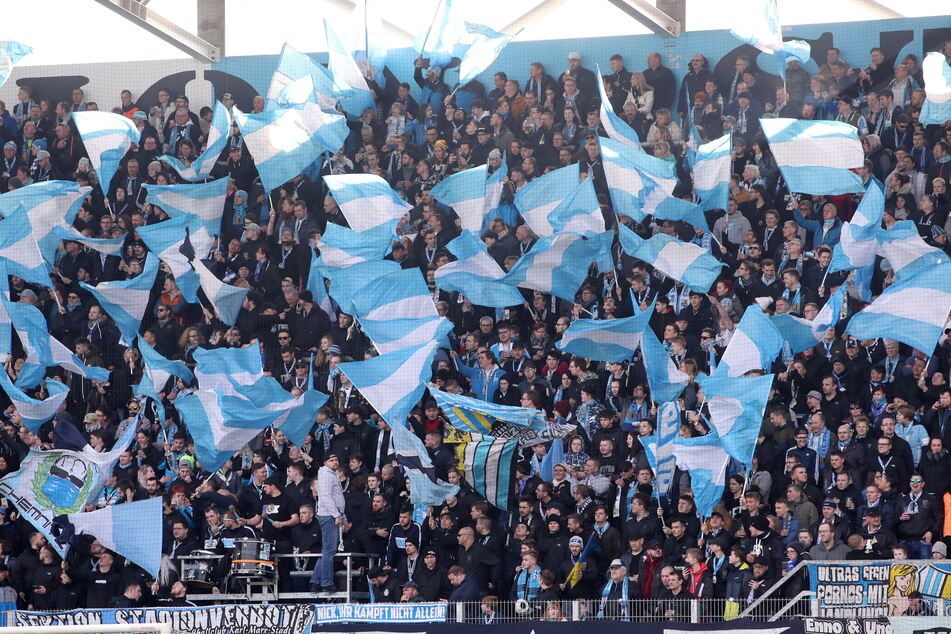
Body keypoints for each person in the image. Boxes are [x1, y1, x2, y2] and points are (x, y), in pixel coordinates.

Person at [311, 453, 346, 593]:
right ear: (325, 462)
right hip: (329, 516)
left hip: (332, 515)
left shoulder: (330, 474)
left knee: (327, 550)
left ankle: (315, 581)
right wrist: (337, 514)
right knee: (329, 551)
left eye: (336, 459)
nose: (335, 462)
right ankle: (326, 582)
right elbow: (325, 497)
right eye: (331, 460)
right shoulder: (325, 475)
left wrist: (343, 516)